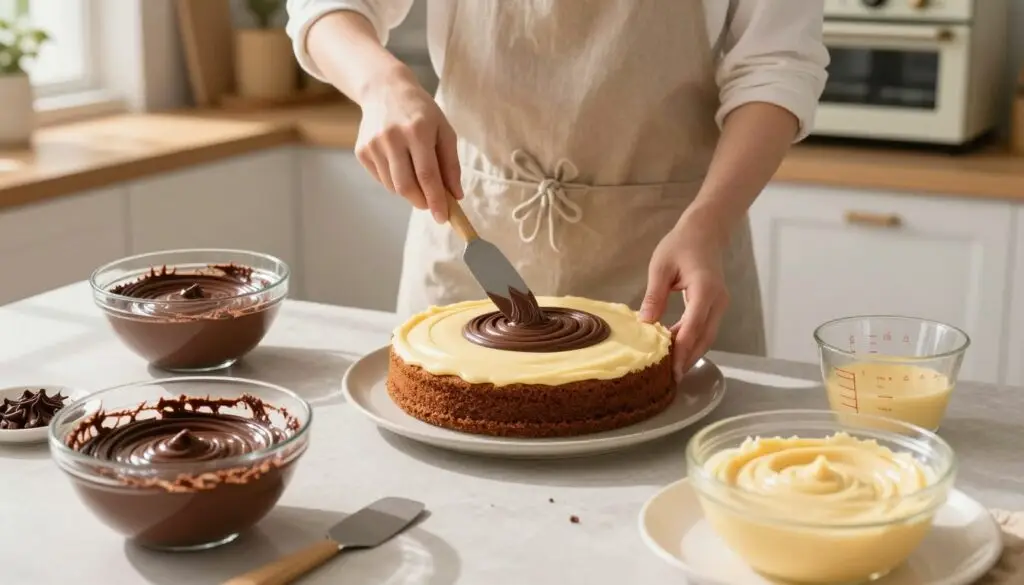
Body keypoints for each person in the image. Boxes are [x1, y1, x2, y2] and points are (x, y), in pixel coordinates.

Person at [286, 0, 828, 380]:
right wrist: (381, 84)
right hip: (469, 236)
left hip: (676, 255)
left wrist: (710, 220)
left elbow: (777, 65)